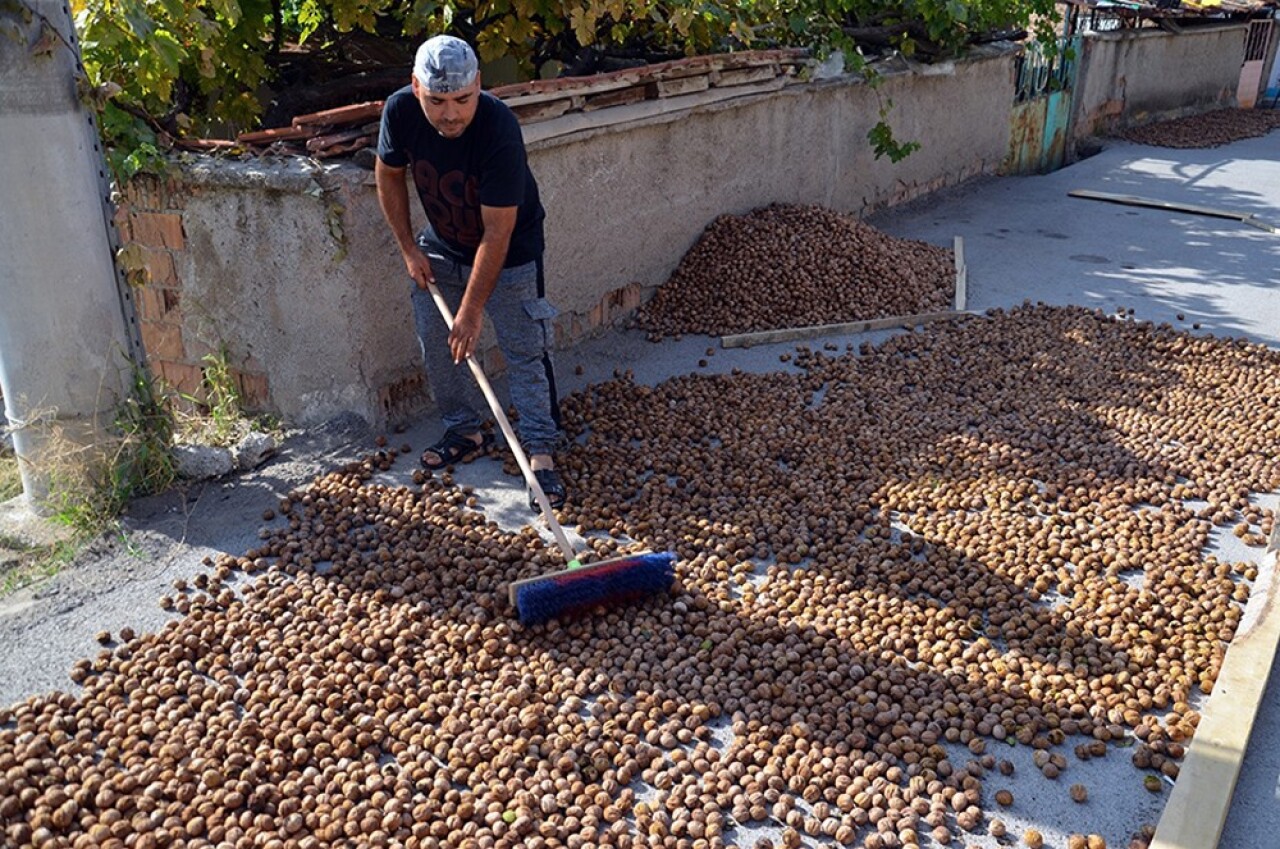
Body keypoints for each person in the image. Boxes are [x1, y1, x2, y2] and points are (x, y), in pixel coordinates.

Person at [375, 34, 567, 509]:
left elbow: (497, 233)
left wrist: (473, 308)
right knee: (440, 348)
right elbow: (388, 174)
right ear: (415, 87)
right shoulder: (399, 112)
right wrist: (407, 249)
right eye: (437, 101)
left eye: (463, 99)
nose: (451, 114)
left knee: (525, 348)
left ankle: (541, 451)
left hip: (511, 248)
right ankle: (464, 431)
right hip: (438, 246)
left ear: (479, 85)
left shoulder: (499, 129)